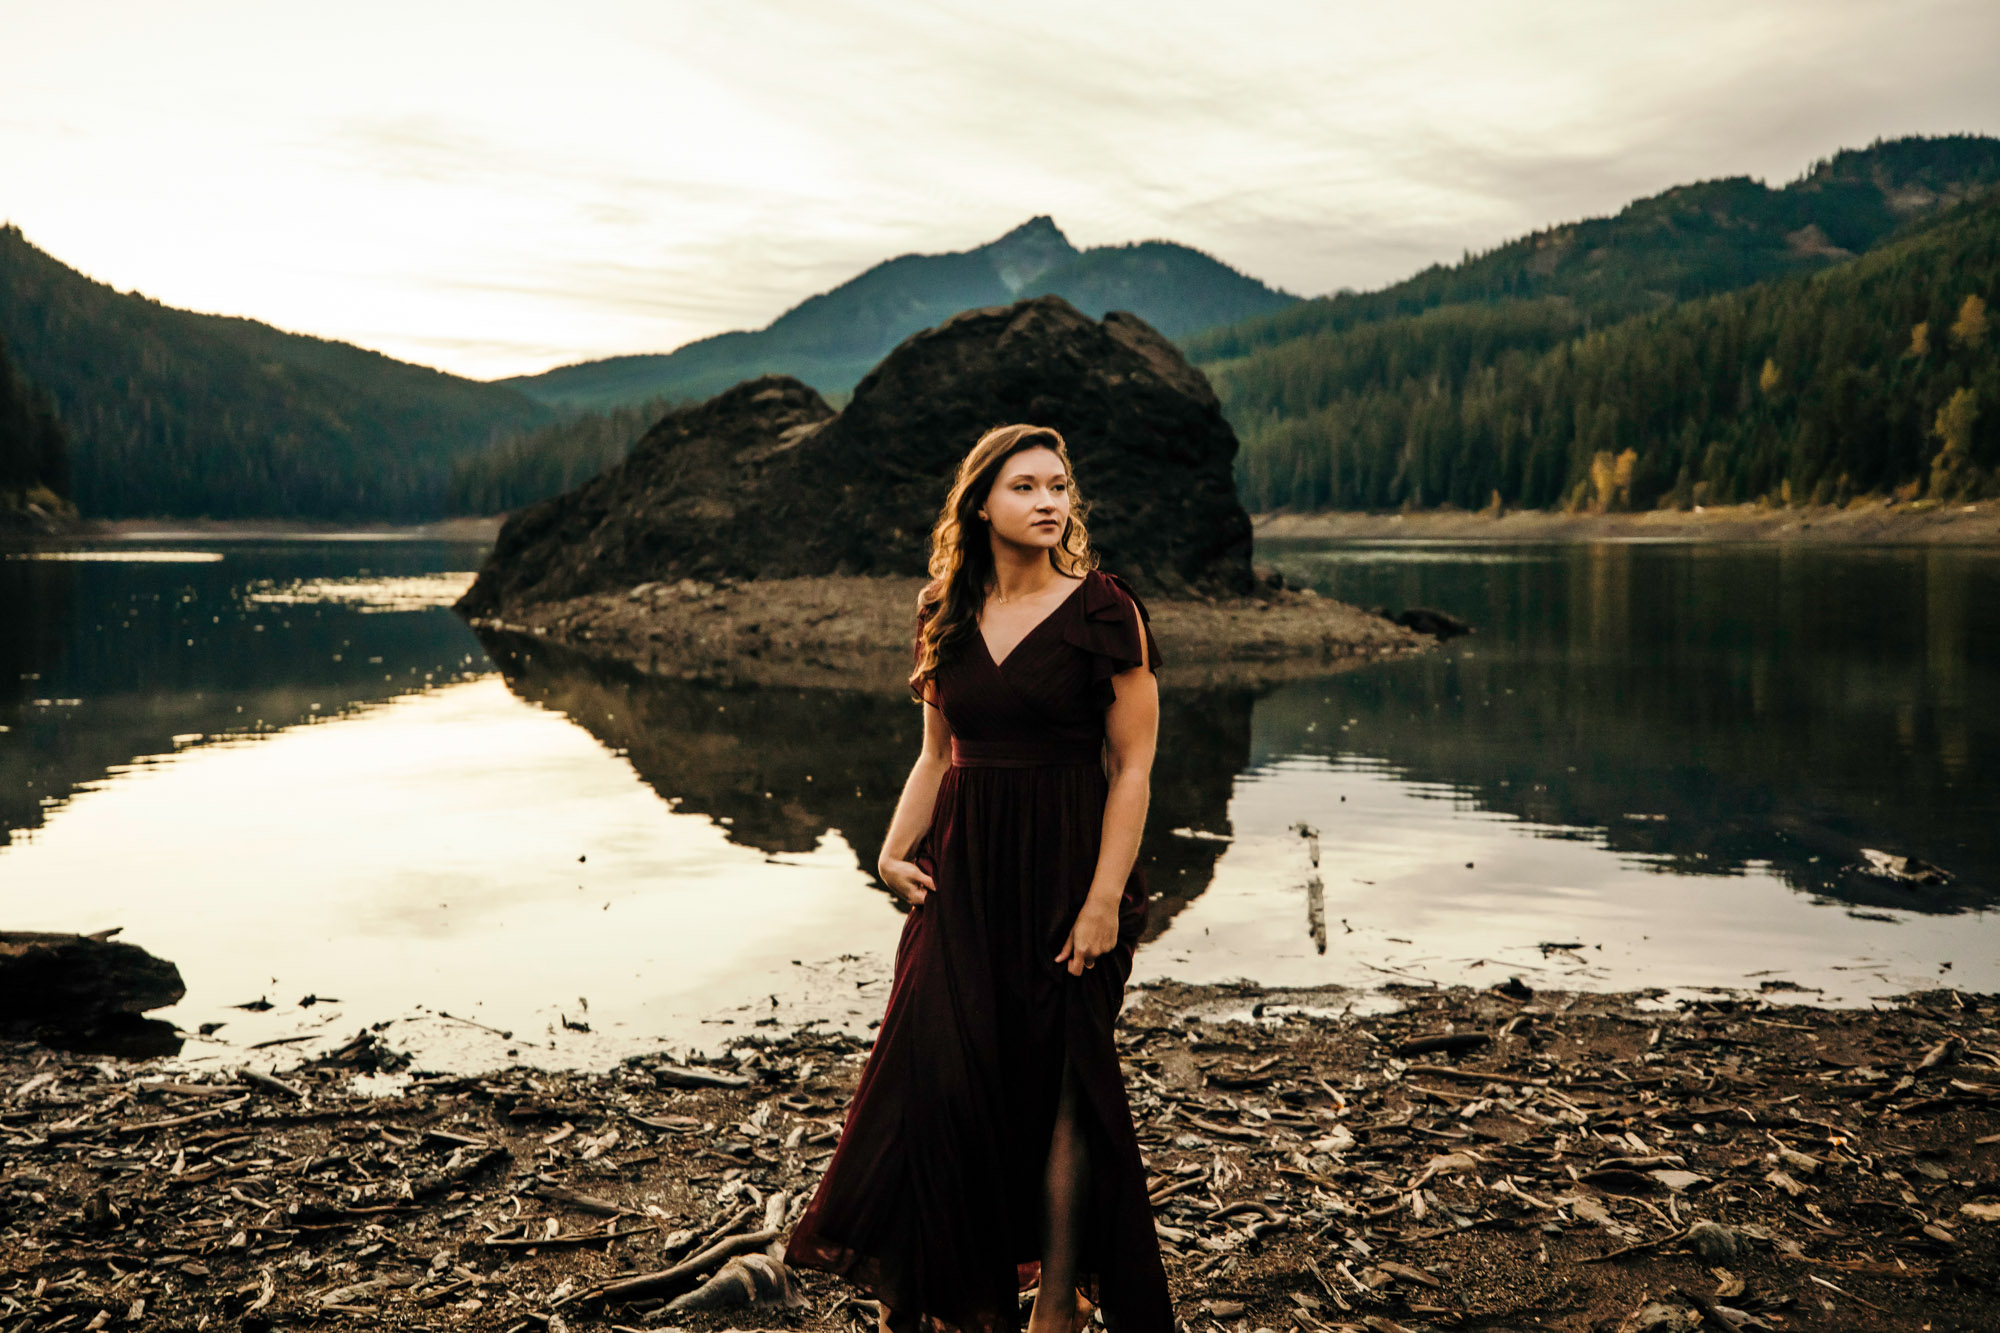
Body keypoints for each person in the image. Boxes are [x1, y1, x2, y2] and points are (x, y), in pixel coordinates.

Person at [784, 423, 1174, 1332]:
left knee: (1067, 1084)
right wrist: (889, 851)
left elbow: (1134, 770)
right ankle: (938, 1285)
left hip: (1070, 873)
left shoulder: (1106, 610)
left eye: (1059, 486)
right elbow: (934, 756)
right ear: (981, 504)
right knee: (936, 1072)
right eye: (1026, 487)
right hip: (960, 874)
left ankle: (1058, 1305)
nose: (1049, 502)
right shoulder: (944, 610)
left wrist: (1104, 901)